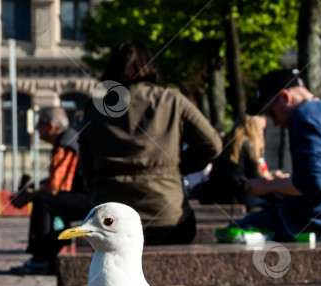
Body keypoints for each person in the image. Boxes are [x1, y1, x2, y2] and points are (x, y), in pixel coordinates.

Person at [78, 41, 222, 245]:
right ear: (151, 66)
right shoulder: (171, 99)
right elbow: (213, 145)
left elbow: (86, 164)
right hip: (168, 217)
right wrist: (178, 167)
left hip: (110, 223)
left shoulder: (94, 108)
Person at [234, 68, 321, 240]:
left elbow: (313, 181)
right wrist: (282, 190)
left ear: (285, 97)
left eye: (271, 113)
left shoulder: (304, 114)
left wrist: (268, 185)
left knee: (236, 230)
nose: (275, 122)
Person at [9, 107, 92, 275]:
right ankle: (52, 257)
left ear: (51, 126)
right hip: (85, 195)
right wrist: (33, 188)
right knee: (49, 202)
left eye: (39, 124)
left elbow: (54, 188)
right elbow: (55, 181)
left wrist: (27, 197)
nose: (36, 128)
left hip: (88, 199)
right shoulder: (67, 139)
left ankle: (40, 260)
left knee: (43, 202)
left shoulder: (64, 145)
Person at [192, 115, 275, 206]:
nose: (263, 132)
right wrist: (274, 181)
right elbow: (255, 178)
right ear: (255, 127)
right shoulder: (249, 145)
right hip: (239, 199)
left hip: (217, 195)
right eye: (262, 128)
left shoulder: (226, 141)